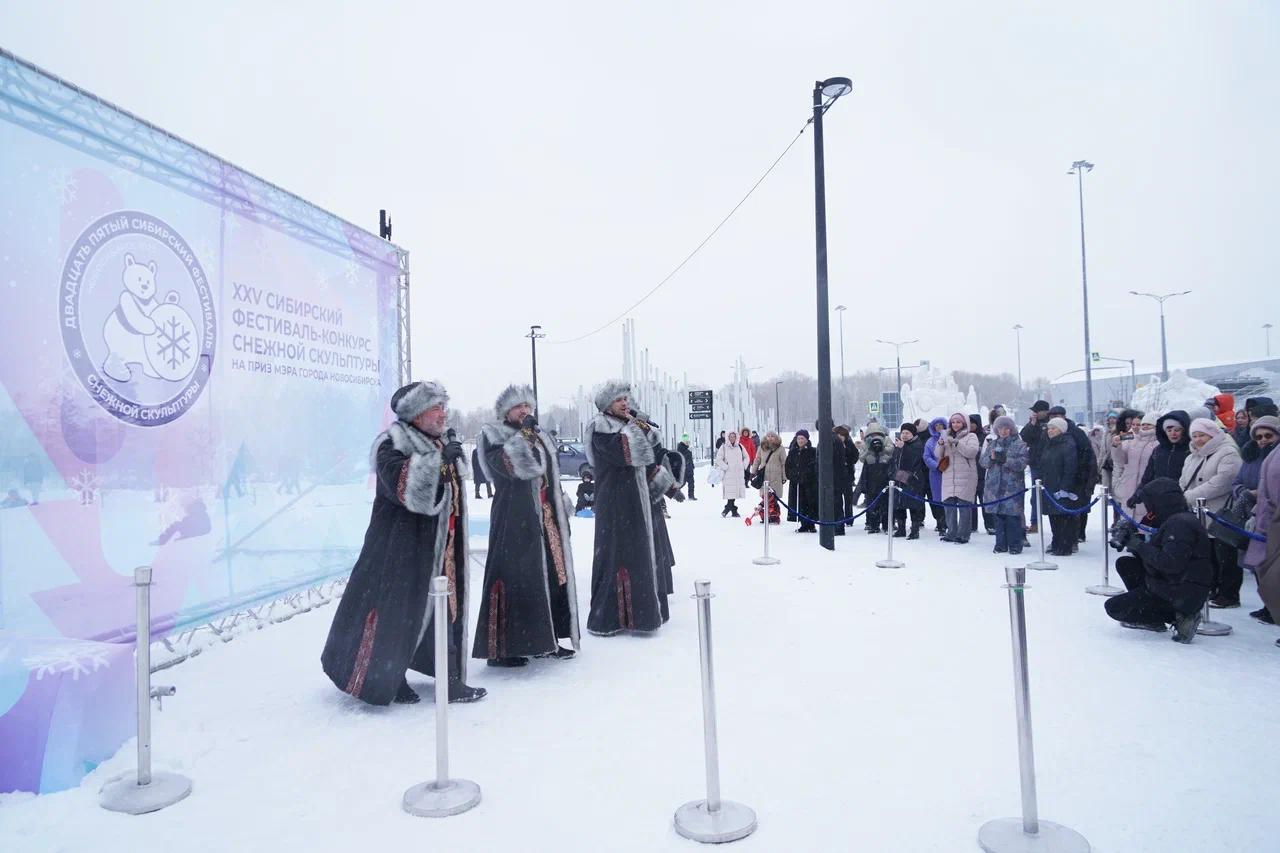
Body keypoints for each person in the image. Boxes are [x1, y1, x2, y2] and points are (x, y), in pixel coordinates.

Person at [321, 380, 485, 705]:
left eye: (443, 406)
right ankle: (387, 677)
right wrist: (439, 465)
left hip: (442, 546)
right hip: (399, 548)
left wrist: (447, 461)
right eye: (436, 407)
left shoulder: (438, 443)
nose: (443, 414)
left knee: (445, 610)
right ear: (417, 413)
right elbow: (404, 488)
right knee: (397, 614)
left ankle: (449, 679)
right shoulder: (392, 444)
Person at [472, 385, 580, 667]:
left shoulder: (539, 436)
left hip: (545, 514)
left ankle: (547, 638)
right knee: (515, 578)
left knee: (552, 576)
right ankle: (504, 649)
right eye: (519, 407)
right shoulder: (493, 435)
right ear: (506, 411)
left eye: (528, 407)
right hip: (513, 517)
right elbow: (507, 467)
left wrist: (560, 506)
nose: (525, 412)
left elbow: (549, 474)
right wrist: (526, 436)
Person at [585, 381, 683, 637]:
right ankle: (607, 620)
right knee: (613, 558)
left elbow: (648, 461)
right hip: (615, 504)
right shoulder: (600, 427)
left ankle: (643, 617)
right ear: (608, 404)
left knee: (641, 559)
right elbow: (627, 454)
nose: (625, 404)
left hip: (638, 502)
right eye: (619, 400)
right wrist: (636, 427)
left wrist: (668, 486)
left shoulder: (626, 425)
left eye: (626, 399)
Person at [1104, 478, 1213, 643]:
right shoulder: (1176, 518)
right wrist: (1133, 541)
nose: (1148, 508)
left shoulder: (1180, 525)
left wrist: (1139, 546)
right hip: (1176, 583)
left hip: (1181, 590)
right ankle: (1156, 608)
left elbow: (1170, 563)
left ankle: (1179, 615)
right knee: (1126, 564)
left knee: (1114, 608)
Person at [1180, 418, 1243, 609]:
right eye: (1195, 436)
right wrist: (1183, 494)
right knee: (1207, 555)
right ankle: (1212, 587)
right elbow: (1184, 479)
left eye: (1202, 435)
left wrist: (1190, 496)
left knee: (1225, 555)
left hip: (1220, 512)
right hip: (1198, 512)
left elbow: (1222, 482)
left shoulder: (1227, 452)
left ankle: (1228, 593)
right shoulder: (1192, 456)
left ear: (1213, 434)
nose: (1198, 440)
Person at [1240, 415, 1280, 624]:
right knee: (1264, 569)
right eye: (1259, 436)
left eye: (1268, 435)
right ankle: (1271, 610)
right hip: (1264, 519)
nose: (1263, 439)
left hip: (1274, 522)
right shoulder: (1265, 455)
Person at [980, 415, 1030, 554]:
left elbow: (1022, 464)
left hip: (1012, 487)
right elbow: (983, 463)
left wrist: (1006, 460)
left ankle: (1015, 545)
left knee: (1013, 518)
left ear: (1011, 429)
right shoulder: (992, 444)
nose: (1003, 431)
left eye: (1007, 428)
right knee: (998, 517)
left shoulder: (1020, 444)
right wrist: (991, 458)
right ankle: (1000, 545)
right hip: (994, 487)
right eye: (1000, 428)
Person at [936, 412, 980, 544]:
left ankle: (963, 534)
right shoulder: (946, 435)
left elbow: (972, 452)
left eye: (958, 422)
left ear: (964, 423)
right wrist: (940, 444)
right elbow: (938, 455)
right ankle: (951, 532)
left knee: (964, 505)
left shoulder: (971, 436)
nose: (955, 424)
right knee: (948, 504)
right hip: (949, 474)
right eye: (953, 422)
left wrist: (957, 443)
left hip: (966, 475)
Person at [1039, 417, 1079, 557]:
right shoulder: (1050, 444)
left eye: (1053, 428)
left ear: (1061, 429)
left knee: (1063, 517)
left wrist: (1065, 487)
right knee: (1053, 517)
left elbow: (1070, 467)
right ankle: (1056, 542)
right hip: (1050, 485)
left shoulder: (1068, 444)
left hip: (1061, 486)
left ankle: (1064, 545)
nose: (1050, 431)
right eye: (1049, 428)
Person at [1113, 412, 1158, 522]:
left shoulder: (1159, 441)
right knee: (1127, 516)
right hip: (1129, 484)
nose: (1145, 427)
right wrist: (1116, 446)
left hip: (1147, 485)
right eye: (1143, 424)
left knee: (1145, 519)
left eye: (1149, 424)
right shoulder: (1130, 437)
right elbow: (1120, 460)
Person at [853, 421, 893, 534]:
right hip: (873, 473)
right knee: (874, 502)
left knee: (882, 502)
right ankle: (876, 524)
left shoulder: (886, 440)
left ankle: (882, 525)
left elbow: (891, 452)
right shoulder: (866, 442)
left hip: (882, 472)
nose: (875, 437)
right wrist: (870, 450)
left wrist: (881, 450)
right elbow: (861, 457)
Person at [891, 422, 928, 538]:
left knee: (913, 505)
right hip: (899, 479)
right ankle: (901, 529)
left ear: (913, 434)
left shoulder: (917, 445)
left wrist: (903, 449)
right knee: (899, 505)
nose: (904, 435)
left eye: (907, 433)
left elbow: (913, 460)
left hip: (913, 479)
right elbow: (895, 461)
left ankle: (915, 530)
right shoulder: (901, 445)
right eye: (903, 432)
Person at [1020, 401, 1052, 534]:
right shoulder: (1033, 424)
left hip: (1051, 464)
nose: (1034, 413)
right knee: (1035, 496)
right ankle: (1035, 523)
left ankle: (1057, 523)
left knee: (1051, 495)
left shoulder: (1052, 424)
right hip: (1036, 464)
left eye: (1037, 411)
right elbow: (1023, 437)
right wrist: (1032, 424)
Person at [1141, 410, 1191, 487]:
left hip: (1181, 496)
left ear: (1184, 430)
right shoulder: (1158, 450)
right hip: (1158, 495)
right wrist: (1137, 497)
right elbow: (1147, 478)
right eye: (1169, 430)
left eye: (1177, 430)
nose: (1173, 433)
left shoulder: (1190, 450)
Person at [749, 431, 786, 523]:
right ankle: (766, 516)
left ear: (776, 438)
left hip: (776, 476)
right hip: (764, 476)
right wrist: (753, 472)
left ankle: (774, 516)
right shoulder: (761, 448)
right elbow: (757, 460)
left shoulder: (780, 449)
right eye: (768, 436)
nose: (770, 438)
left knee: (774, 498)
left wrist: (784, 476)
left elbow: (784, 463)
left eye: (772, 436)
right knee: (765, 497)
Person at [785, 429, 818, 533]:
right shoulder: (793, 452)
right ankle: (803, 523)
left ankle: (811, 524)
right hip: (796, 483)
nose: (800, 440)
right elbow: (788, 466)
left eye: (802, 438)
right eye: (798, 438)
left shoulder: (813, 451)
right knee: (800, 504)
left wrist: (806, 475)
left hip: (809, 483)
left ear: (807, 439)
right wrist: (793, 476)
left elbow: (814, 466)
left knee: (810, 503)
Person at [924, 416, 949, 535]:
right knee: (937, 499)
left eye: (941, 425)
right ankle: (941, 524)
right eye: (936, 425)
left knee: (949, 498)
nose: (939, 427)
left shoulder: (950, 438)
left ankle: (949, 522)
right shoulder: (930, 441)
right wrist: (937, 466)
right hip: (936, 474)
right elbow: (926, 457)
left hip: (949, 473)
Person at [715, 430, 749, 517]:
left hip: (738, 473)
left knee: (734, 492)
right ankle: (727, 509)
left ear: (736, 437)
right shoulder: (723, 447)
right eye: (730, 437)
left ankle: (733, 510)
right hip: (728, 474)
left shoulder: (740, 447)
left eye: (734, 436)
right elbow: (718, 459)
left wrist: (743, 466)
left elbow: (746, 457)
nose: (732, 438)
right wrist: (725, 467)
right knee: (731, 492)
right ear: (728, 437)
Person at [969, 414, 993, 535]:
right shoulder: (966, 437)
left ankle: (990, 525)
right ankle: (971, 525)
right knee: (970, 502)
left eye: (974, 422)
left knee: (985, 502)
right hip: (969, 475)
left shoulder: (985, 437)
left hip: (983, 474)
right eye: (969, 422)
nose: (972, 425)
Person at [835, 425, 860, 526]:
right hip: (837, 477)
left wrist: (847, 455)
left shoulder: (849, 444)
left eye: (842, 435)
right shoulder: (833, 444)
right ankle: (840, 518)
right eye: (838, 435)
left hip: (848, 476)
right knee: (838, 500)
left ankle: (849, 519)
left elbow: (855, 457)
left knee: (848, 499)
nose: (840, 437)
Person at [677, 433, 697, 500]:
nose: (688, 443)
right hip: (684, 470)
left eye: (688, 441)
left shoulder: (687, 450)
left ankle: (691, 496)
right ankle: (675, 492)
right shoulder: (681, 450)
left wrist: (692, 466)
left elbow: (690, 460)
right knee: (682, 483)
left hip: (689, 469)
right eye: (686, 441)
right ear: (683, 442)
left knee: (691, 483)